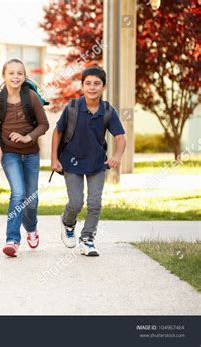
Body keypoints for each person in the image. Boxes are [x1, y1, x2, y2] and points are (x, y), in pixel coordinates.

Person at [51, 65, 126, 256]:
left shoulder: (108, 110)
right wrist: (54, 159)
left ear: (104, 87)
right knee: (76, 202)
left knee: (95, 203)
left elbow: (120, 138)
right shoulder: (73, 107)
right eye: (88, 83)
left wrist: (117, 156)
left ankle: (88, 239)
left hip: (97, 164)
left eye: (97, 84)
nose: (92, 87)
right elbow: (57, 132)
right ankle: (68, 223)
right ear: (82, 86)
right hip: (71, 162)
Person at [0, 58, 49, 257]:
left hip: (31, 153)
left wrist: (27, 137)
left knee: (31, 199)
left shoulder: (31, 97)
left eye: (19, 73)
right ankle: (12, 240)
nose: (15, 76)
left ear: (24, 76)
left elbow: (43, 125)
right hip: (10, 153)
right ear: (4, 76)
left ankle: (31, 228)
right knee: (18, 193)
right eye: (11, 73)